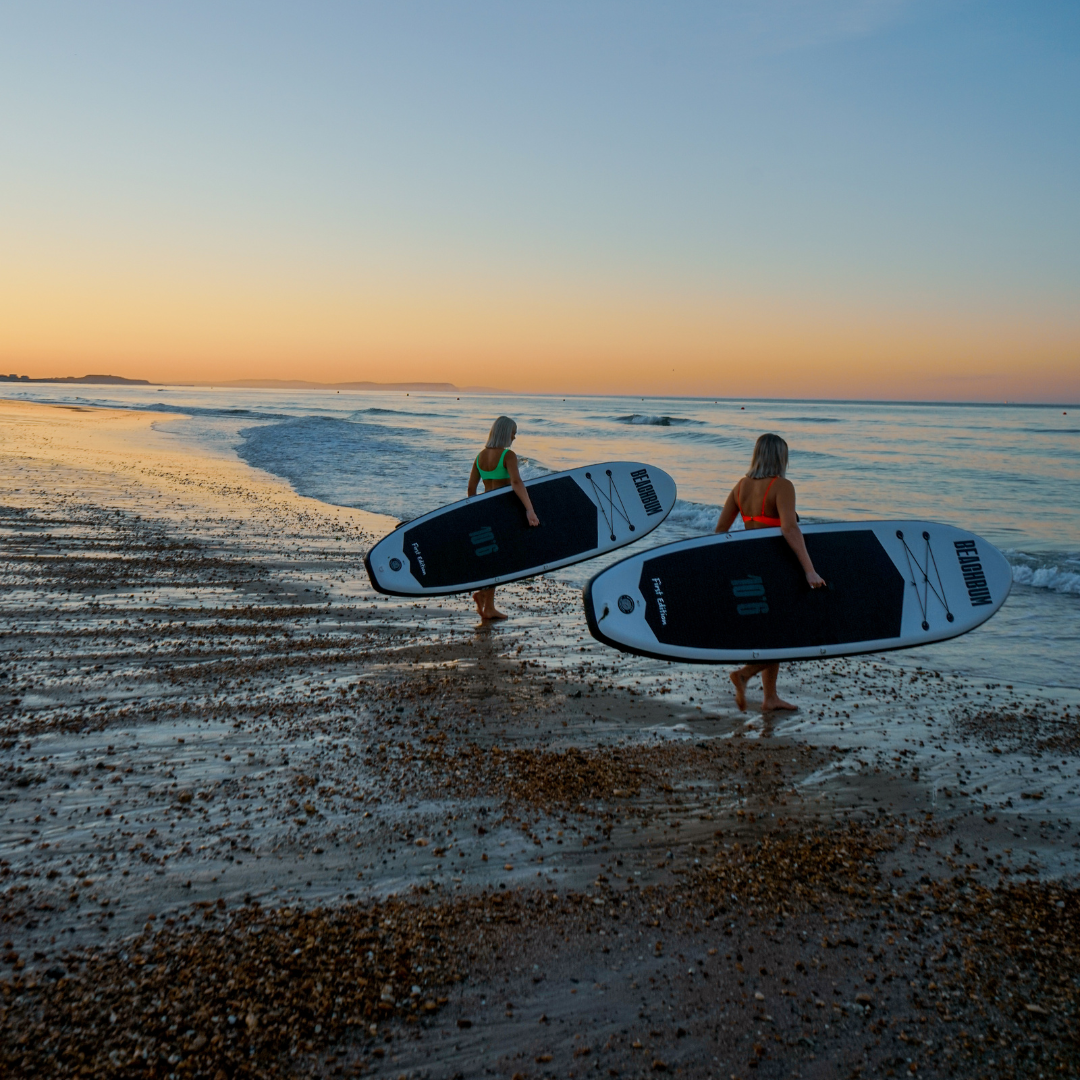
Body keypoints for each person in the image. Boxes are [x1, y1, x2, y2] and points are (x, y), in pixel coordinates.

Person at [715, 433, 826, 711]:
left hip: (752, 568)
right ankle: (744, 674)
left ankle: (770, 698)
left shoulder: (740, 487)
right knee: (791, 635)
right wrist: (810, 570)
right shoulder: (783, 486)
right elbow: (789, 528)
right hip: (778, 568)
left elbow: (720, 533)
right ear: (780, 457)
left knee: (772, 632)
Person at [467, 416, 540, 620]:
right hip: (502, 513)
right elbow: (516, 483)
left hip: (484, 512)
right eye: (513, 433)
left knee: (493, 555)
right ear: (504, 432)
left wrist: (474, 511)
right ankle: (486, 603)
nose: (514, 437)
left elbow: (471, 489)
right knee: (499, 558)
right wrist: (530, 510)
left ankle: (486, 599)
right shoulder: (508, 455)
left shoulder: (480, 456)